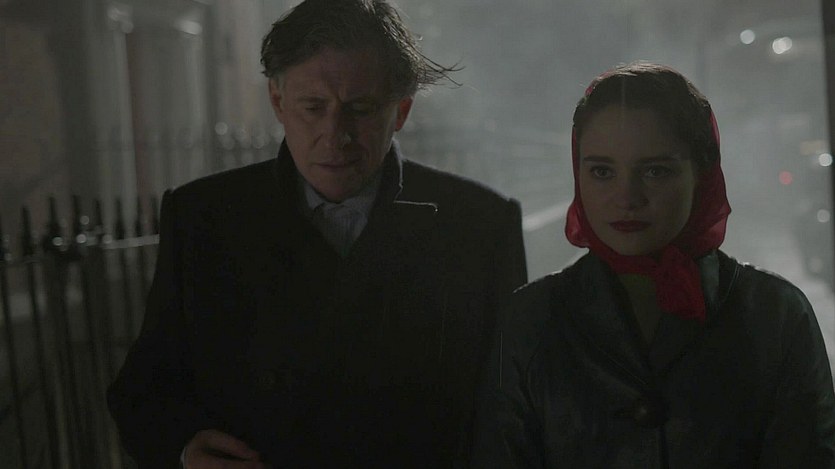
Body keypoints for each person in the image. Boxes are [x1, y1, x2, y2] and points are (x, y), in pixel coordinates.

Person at [106, 1, 528, 467]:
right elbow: (144, 389)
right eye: (313, 107)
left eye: (360, 109)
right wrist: (185, 447)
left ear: (401, 111)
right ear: (278, 101)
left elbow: (515, 405)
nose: (335, 134)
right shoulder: (202, 218)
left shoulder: (480, 226)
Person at [471, 62, 835, 468]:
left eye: (655, 171)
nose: (627, 197)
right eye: (602, 171)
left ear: (702, 173)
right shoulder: (531, 319)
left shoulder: (775, 315)